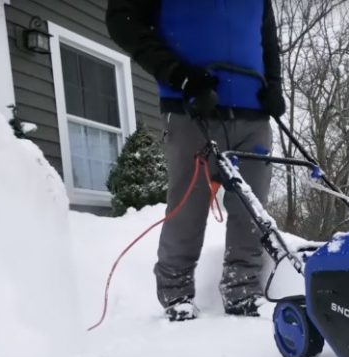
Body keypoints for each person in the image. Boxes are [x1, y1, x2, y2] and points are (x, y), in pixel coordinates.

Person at [106, 0, 286, 321]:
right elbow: (124, 22)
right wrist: (177, 74)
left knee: (252, 209)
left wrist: (274, 85)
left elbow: (268, 41)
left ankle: (242, 289)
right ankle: (176, 294)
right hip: (191, 104)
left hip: (254, 112)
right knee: (188, 204)